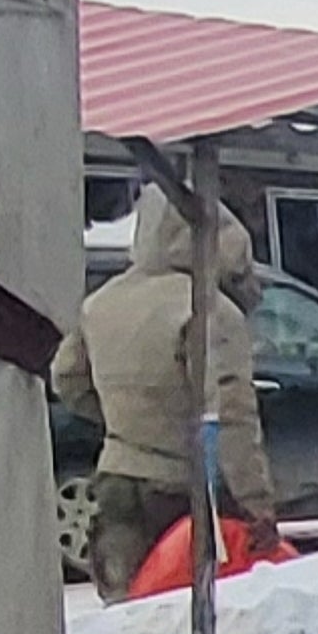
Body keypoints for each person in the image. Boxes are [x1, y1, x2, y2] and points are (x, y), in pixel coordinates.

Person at [57, 185, 263, 595]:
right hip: (184, 491)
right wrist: (257, 504)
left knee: (127, 611)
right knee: (188, 609)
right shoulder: (209, 309)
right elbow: (232, 414)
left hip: (116, 476)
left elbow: (67, 378)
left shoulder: (101, 303)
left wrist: (122, 421)